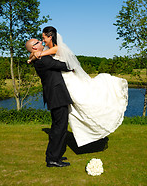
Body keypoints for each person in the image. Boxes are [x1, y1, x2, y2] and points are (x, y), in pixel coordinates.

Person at [29, 26, 128, 147]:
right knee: (67, 118)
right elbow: (58, 64)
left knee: (82, 104)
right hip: (60, 89)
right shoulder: (44, 57)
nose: (42, 40)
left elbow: (59, 55)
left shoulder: (54, 50)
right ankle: (56, 154)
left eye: (43, 38)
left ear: (50, 37)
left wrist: (36, 54)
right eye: (40, 40)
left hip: (65, 84)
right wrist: (35, 54)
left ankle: (57, 153)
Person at [26, 38, 73, 167]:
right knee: (60, 128)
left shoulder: (40, 57)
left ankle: (55, 155)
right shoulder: (44, 60)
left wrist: (31, 56)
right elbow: (65, 66)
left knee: (57, 127)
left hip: (55, 96)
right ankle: (52, 159)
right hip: (57, 97)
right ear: (34, 48)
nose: (41, 42)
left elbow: (33, 54)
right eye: (37, 42)